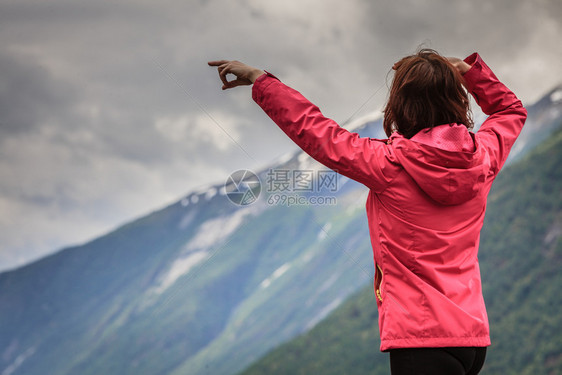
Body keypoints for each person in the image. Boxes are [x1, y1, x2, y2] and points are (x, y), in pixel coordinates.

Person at [208, 49, 527, 375]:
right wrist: (468, 72)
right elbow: (510, 111)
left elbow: (317, 131)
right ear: (454, 99)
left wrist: (260, 80)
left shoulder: (388, 164)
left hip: (422, 341)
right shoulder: (483, 157)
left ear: (402, 105)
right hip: (472, 338)